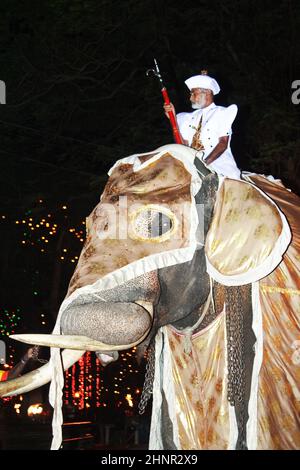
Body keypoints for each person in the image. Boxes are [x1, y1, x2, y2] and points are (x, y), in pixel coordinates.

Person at [164, 70, 241, 179]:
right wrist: (173, 121)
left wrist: (203, 165)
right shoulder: (188, 117)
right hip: (191, 165)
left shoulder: (222, 113)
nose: (190, 98)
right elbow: (183, 146)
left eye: (193, 93)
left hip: (217, 165)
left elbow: (223, 143)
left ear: (207, 92)